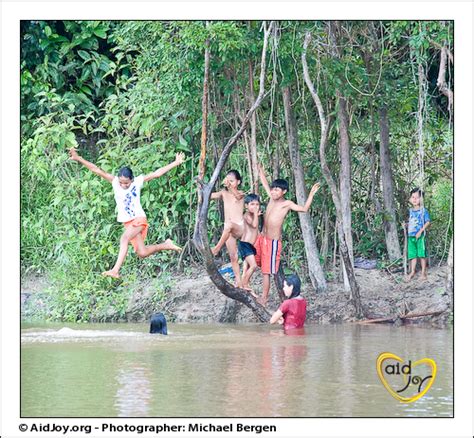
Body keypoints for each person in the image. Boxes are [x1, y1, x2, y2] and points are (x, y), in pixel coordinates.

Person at [69, 147, 184, 278]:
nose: (123, 185)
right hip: (128, 222)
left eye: (126, 183)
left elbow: (156, 173)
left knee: (124, 238)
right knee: (142, 252)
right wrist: (78, 158)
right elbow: (96, 169)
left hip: (139, 219)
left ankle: (115, 270)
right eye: (121, 182)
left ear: (132, 180)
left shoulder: (137, 182)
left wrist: (175, 162)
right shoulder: (115, 183)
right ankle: (166, 244)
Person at [256, 163, 320, 305]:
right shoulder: (271, 198)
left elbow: (303, 209)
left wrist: (311, 194)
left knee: (266, 272)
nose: (273, 192)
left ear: (283, 191)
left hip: (272, 242)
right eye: (272, 189)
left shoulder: (287, 204)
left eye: (277, 190)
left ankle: (264, 299)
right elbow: (265, 183)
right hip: (262, 238)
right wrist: (260, 171)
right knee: (253, 262)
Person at [210, 170, 245, 286]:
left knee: (229, 225)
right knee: (233, 256)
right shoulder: (224, 193)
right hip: (228, 230)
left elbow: (237, 196)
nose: (229, 183)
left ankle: (216, 249)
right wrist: (201, 190)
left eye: (232, 181)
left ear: (238, 182)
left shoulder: (241, 193)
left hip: (239, 227)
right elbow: (209, 196)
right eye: (228, 181)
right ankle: (238, 281)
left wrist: (231, 187)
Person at [406, 187, 431, 281]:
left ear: (421, 199)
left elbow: (428, 222)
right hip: (411, 236)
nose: (415, 199)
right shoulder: (411, 211)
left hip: (420, 236)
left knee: (421, 254)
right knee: (412, 255)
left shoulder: (423, 210)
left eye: (417, 197)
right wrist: (407, 225)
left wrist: (420, 231)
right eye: (413, 197)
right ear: (410, 199)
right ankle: (412, 272)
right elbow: (412, 222)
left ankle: (424, 273)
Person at [239, 194, 261, 294]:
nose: (255, 207)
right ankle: (244, 284)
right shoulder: (246, 215)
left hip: (250, 246)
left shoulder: (253, 215)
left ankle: (245, 284)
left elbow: (256, 230)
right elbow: (254, 225)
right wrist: (256, 214)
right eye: (252, 204)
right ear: (246, 206)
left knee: (246, 268)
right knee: (253, 266)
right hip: (245, 245)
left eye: (257, 204)